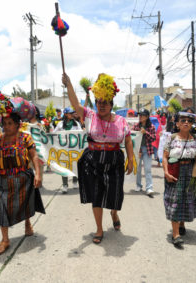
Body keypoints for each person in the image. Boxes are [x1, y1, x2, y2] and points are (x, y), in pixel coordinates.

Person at [62, 73, 134, 244]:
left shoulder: (121, 121)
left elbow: (128, 139)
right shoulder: (89, 116)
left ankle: (114, 212)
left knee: (115, 195)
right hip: (93, 161)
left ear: (111, 104)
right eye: (99, 102)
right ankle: (99, 229)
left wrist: (130, 160)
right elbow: (75, 104)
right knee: (97, 195)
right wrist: (69, 84)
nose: (102, 105)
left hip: (114, 161)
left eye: (105, 102)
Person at [0, 112, 42, 255]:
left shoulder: (26, 137)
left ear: (18, 124)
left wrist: (38, 173)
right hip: (2, 179)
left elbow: (34, 156)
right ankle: (5, 240)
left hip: (23, 177)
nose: (6, 126)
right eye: (4, 123)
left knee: (24, 202)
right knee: (3, 207)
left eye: (10, 123)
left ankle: (27, 223)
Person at [162, 112, 196, 248]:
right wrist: (166, 172)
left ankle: (181, 223)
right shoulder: (172, 138)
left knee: (187, 199)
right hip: (175, 171)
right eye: (183, 120)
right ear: (177, 124)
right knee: (175, 200)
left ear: (192, 124)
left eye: (189, 121)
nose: (186, 122)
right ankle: (175, 234)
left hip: (191, 173)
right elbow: (165, 157)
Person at [54, 107, 82, 193]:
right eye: (70, 113)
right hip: (64, 150)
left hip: (74, 149)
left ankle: (75, 181)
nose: (72, 114)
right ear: (65, 114)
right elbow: (54, 134)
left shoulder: (76, 124)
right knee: (64, 167)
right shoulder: (60, 124)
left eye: (72, 113)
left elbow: (81, 134)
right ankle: (65, 185)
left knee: (75, 165)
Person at [132, 109, 156, 196]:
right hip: (138, 150)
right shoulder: (135, 126)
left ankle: (149, 188)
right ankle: (138, 185)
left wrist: (146, 133)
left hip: (147, 150)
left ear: (147, 117)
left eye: (142, 115)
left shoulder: (151, 127)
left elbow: (153, 138)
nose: (140, 117)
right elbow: (132, 138)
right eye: (140, 115)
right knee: (138, 169)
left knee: (147, 169)